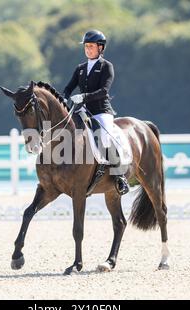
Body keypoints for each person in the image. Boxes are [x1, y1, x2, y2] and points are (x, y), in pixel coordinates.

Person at [63, 30, 129, 195]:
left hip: (101, 111)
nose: (88, 49)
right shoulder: (80, 69)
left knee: (104, 137)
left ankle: (120, 176)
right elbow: (68, 88)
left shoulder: (106, 67)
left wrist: (84, 96)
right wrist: (64, 98)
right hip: (83, 111)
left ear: (100, 47)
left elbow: (103, 91)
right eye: (86, 46)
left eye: (91, 46)